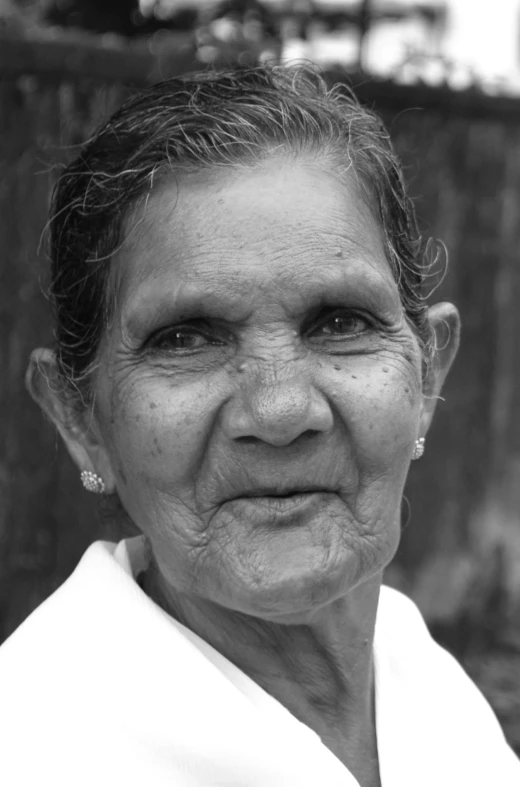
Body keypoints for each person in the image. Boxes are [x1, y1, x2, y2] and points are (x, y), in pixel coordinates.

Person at [0, 65, 518, 787]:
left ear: (426, 374)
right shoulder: (34, 747)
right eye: (185, 338)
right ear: (80, 418)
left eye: (340, 322)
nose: (279, 413)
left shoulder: (421, 680)